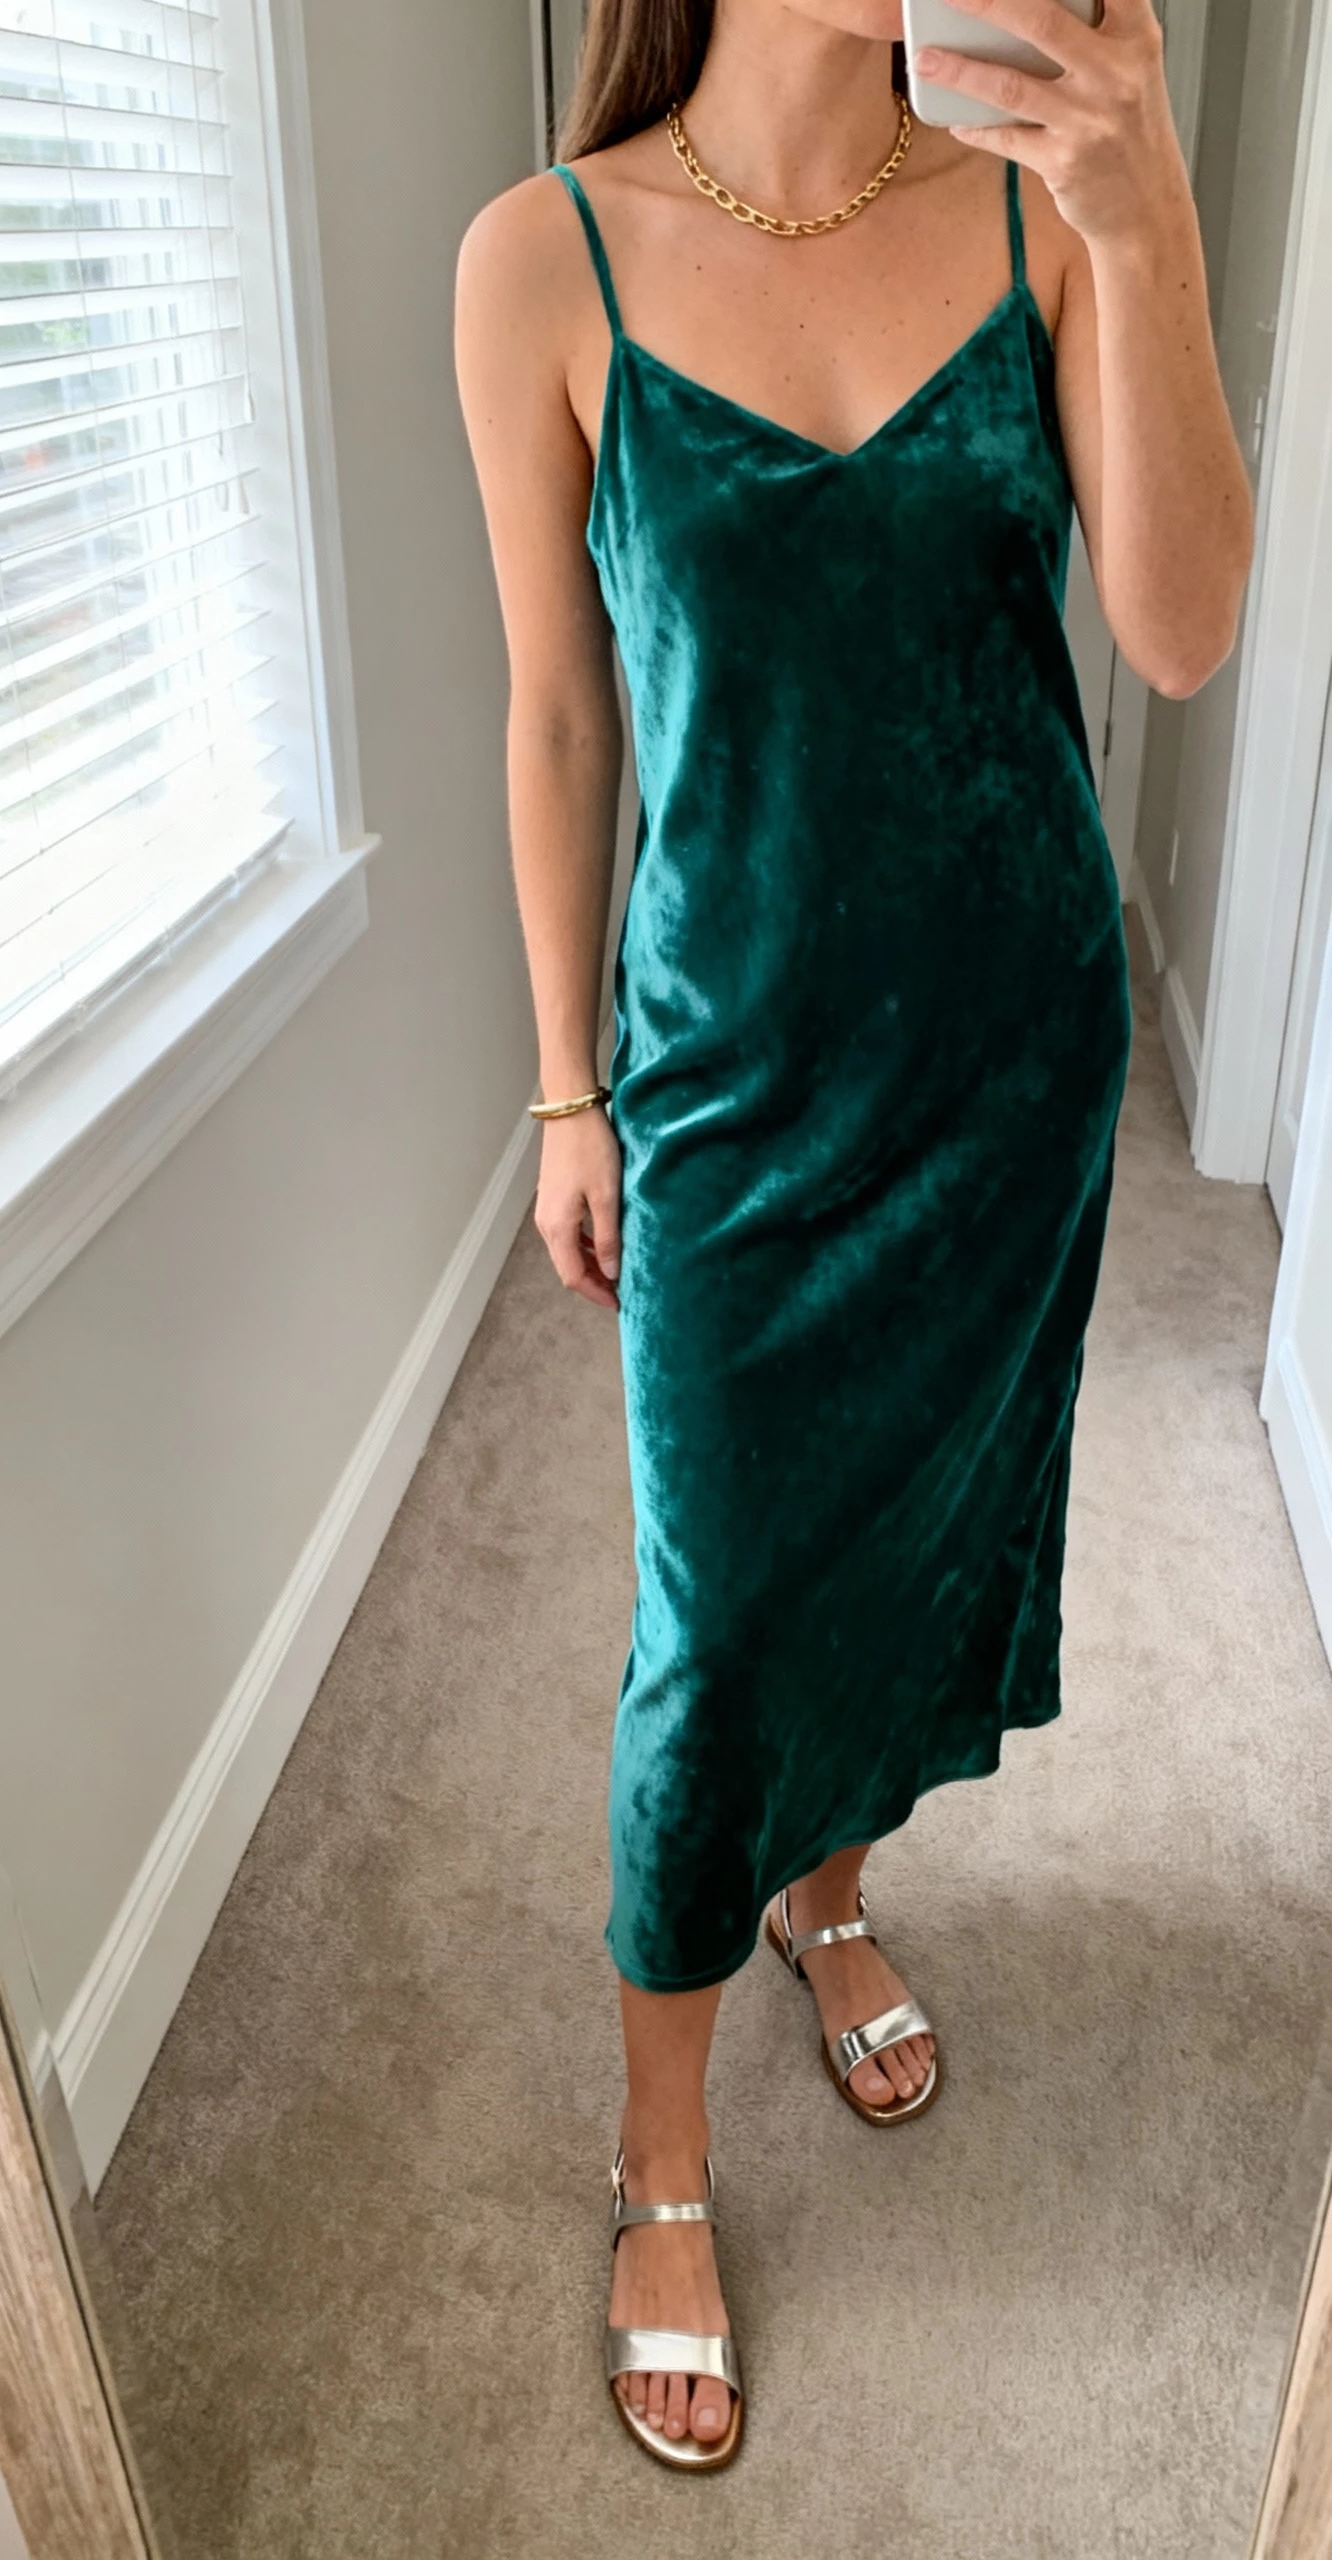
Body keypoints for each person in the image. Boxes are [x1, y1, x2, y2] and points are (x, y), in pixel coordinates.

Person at [455, 0, 1252, 2471]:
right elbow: (563, 709)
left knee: (905, 1554)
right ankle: (662, 2154)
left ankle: (833, 1885)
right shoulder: (544, 256)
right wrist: (565, 1078)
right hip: (726, 1091)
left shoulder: (1045, 205)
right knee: (720, 1622)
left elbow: (1183, 632)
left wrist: (1150, 217)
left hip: (1006, 1072)